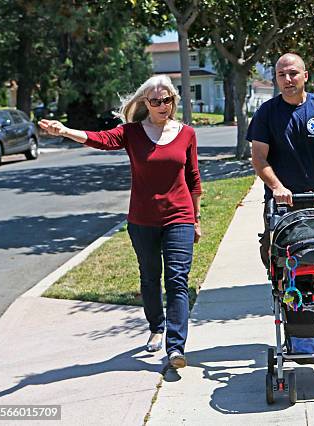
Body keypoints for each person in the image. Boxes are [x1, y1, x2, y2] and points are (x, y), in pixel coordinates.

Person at [38, 75, 201, 369]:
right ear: (145, 103)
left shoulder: (187, 133)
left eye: (167, 100)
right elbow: (101, 140)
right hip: (143, 219)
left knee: (177, 280)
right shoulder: (131, 133)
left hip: (180, 217)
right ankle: (156, 326)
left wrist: (196, 218)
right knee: (150, 278)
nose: (162, 106)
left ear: (174, 101)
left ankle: (175, 347)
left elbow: (193, 179)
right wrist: (64, 131)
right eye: (155, 101)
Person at [247, 53, 314, 269]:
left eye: (293, 73)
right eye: (281, 75)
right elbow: (258, 157)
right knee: (274, 254)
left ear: (305, 75)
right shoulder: (266, 113)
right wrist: (277, 188)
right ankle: (285, 295)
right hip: (283, 201)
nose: (287, 79)